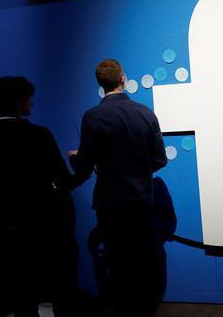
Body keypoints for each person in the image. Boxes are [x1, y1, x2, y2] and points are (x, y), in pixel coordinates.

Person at [0, 76, 78, 317]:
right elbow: (62, 180)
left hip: (4, 228)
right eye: (29, 98)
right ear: (19, 102)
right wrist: (82, 171)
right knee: (51, 292)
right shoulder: (40, 135)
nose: (32, 103)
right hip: (42, 229)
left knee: (19, 299)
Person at [69, 59, 168, 317]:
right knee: (143, 261)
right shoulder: (145, 113)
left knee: (117, 262)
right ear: (123, 78)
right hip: (141, 201)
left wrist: (75, 158)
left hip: (110, 203)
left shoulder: (92, 117)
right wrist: (137, 170)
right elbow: (160, 159)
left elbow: (84, 166)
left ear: (100, 83)